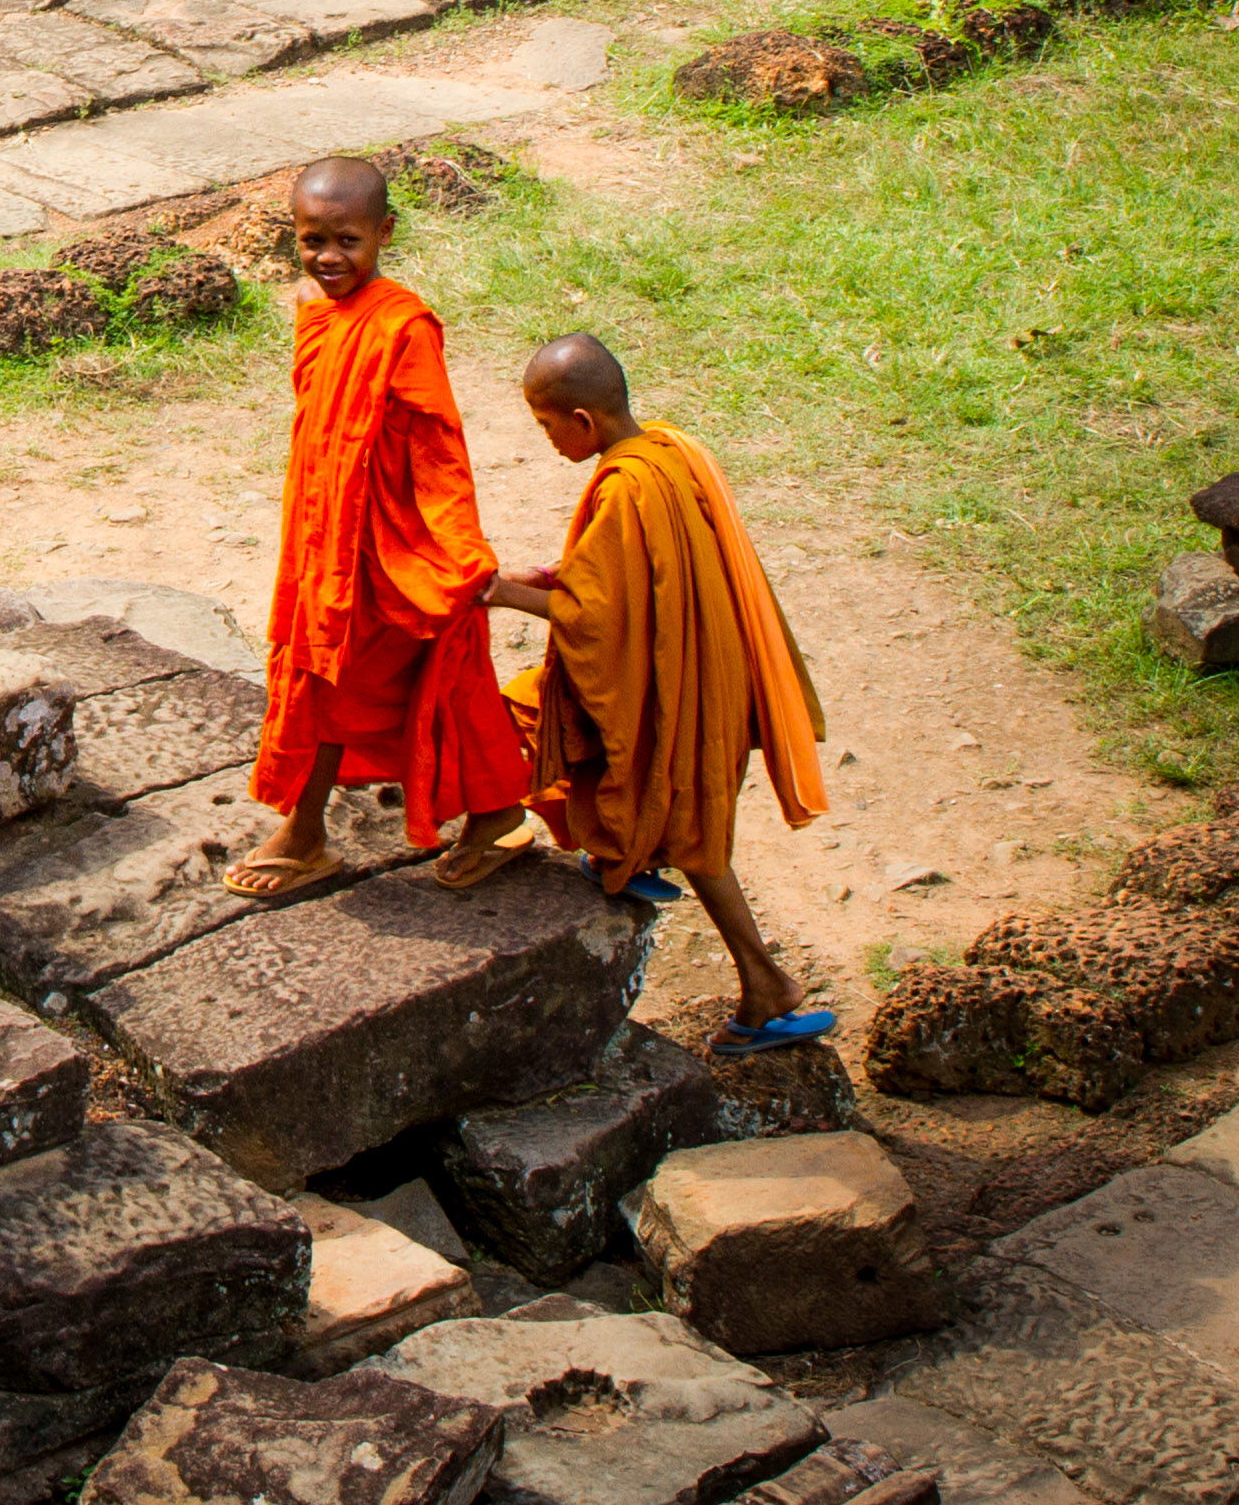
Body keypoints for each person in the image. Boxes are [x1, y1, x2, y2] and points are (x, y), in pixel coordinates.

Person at [490, 333, 835, 1049]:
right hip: (706, 662)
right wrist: (565, 571)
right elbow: (643, 566)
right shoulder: (672, 450)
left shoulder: (625, 484)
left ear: (581, 422)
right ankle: (634, 861)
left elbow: (597, 614)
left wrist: (506, 594)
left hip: (677, 684)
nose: (548, 441)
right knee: (680, 813)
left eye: (546, 426)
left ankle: (764, 984)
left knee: (529, 720)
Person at [225, 155, 541, 898]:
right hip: (323, 538)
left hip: (388, 547)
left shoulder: (404, 327)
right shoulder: (316, 311)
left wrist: (455, 548)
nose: (328, 258)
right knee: (326, 676)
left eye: (348, 242)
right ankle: (492, 814)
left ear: (385, 234)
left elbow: (437, 447)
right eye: (312, 240)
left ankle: (309, 835)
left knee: (395, 676)